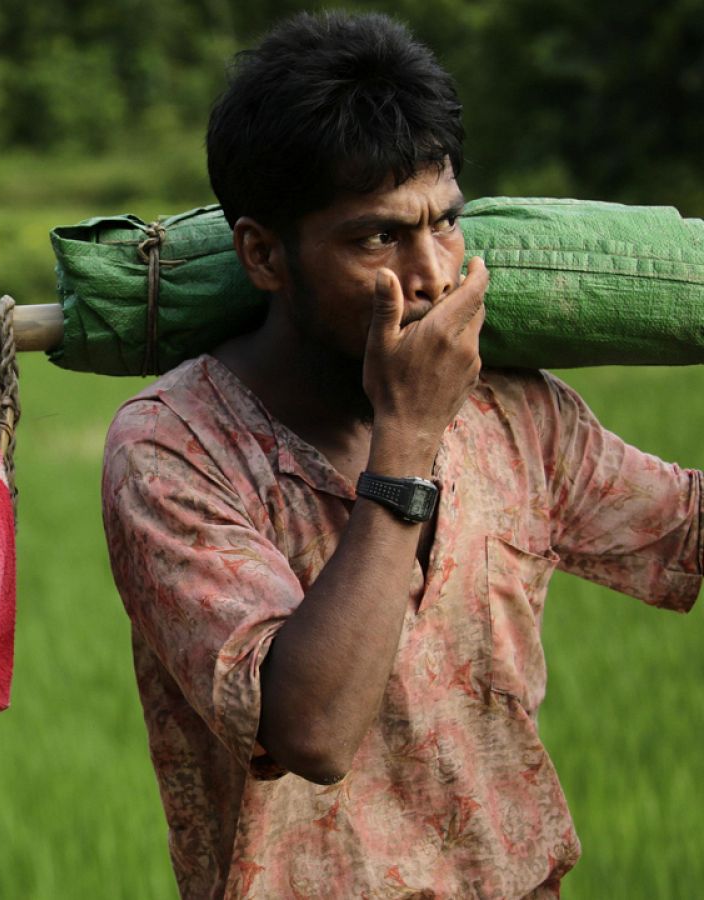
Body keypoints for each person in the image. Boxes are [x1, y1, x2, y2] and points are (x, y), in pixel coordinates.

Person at [100, 12, 702, 898]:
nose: (432, 274)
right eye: (376, 237)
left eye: (445, 224)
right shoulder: (174, 448)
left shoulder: (509, 407)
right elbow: (310, 731)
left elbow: (686, 531)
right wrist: (410, 436)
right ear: (264, 254)